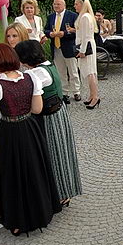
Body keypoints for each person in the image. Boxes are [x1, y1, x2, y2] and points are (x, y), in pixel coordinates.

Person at [0, 43, 61, 236]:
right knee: (34, 168)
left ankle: (19, 219)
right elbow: (37, 109)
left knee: (13, 173)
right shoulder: (31, 78)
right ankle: (42, 211)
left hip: (11, 132)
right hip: (30, 128)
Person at [16, 40, 83, 207]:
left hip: (50, 117)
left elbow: (22, 92)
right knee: (63, 152)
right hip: (59, 113)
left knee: (55, 154)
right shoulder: (48, 66)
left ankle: (60, 194)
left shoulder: (36, 73)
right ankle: (64, 191)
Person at [45, 0, 81, 104]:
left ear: (64, 5)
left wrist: (64, 33)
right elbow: (46, 30)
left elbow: (77, 31)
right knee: (61, 72)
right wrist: (50, 34)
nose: (56, 6)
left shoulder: (72, 15)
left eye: (58, 4)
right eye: (54, 4)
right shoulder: (51, 17)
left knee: (73, 71)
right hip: (56, 48)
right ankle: (64, 93)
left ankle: (76, 91)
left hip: (68, 47)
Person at [73, 0, 101, 109]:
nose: (75, 6)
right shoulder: (86, 16)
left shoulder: (85, 17)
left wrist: (82, 51)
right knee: (90, 72)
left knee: (90, 73)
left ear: (82, 4)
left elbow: (86, 36)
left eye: (76, 4)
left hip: (86, 46)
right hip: (87, 45)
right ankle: (92, 95)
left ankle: (95, 97)